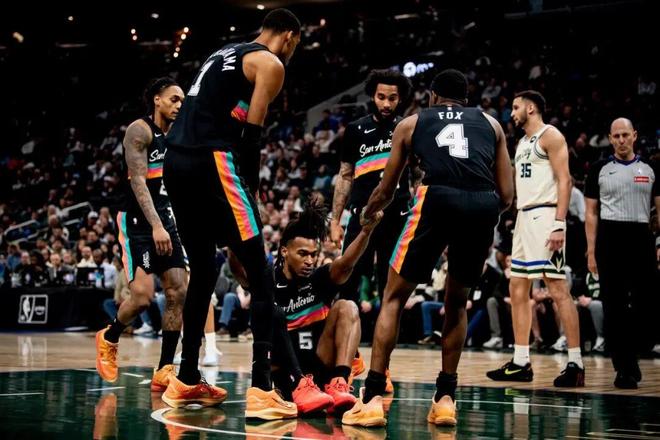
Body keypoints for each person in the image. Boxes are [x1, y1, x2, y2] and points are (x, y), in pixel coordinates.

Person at [342, 69, 513, 427]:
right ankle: (446, 398)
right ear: (466, 100)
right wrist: (478, 214)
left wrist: (368, 213)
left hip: (436, 197)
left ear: (433, 96)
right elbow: (508, 195)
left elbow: (387, 189)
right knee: (457, 301)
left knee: (393, 297)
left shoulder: (411, 123)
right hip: (482, 203)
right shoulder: (492, 124)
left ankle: (372, 398)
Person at [162, 9, 301, 416]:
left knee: (204, 271)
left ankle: (187, 377)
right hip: (214, 160)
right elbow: (252, 135)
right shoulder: (270, 63)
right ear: (289, 36)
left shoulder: (224, 52)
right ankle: (261, 388)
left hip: (176, 162)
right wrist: (251, 193)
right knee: (260, 274)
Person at [94, 77, 190, 396]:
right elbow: (138, 181)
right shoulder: (140, 130)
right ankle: (110, 337)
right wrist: (156, 226)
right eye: (174, 99)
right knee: (142, 297)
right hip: (137, 222)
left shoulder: (178, 134)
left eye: (182, 100)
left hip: (166, 219)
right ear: (156, 99)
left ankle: (164, 369)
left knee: (178, 291)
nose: (179, 105)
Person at [486, 90, 585, 388]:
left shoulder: (550, 135)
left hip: (546, 215)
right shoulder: (522, 143)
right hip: (524, 217)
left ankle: (575, 363)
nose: (512, 112)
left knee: (557, 288)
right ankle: (520, 361)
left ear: (530, 108)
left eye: (516, 107)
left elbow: (565, 180)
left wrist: (559, 224)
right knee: (517, 287)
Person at [330, 68, 412, 388]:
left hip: (397, 218)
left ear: (400, 99)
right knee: (347, 290)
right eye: (381, 97)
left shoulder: (409, 128)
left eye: (392, 98)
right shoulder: (355, 130)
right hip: (361, 219)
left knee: (390, 294)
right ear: (372, 96)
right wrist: (335, 220)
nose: (386, 103)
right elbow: (345, 176)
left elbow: (419, 176)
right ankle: (348, 362)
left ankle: (382, 369)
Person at [270, 202, 383, 415]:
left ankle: (338, 383)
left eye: (313, 254)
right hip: (289, 375)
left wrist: (366, 231)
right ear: (284, 251)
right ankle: (294, 388)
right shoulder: (270, 283)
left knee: (347, 307)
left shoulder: (318, 279)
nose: (309, 261)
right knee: (271, 316)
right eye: (302, 254)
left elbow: (346, 263)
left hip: (320, 366)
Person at [584, 117, 659, 388]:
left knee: (647, 304)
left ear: (635, 135)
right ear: (610, 138)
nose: (621, 140)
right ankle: (624, 368)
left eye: (625, 135)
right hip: (609, 239)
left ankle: (633, 355)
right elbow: (591, 213)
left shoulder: (650, 168)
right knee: (614, 307)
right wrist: (591, 250)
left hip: (641, 238)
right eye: (616, 136)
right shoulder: (599, 169)